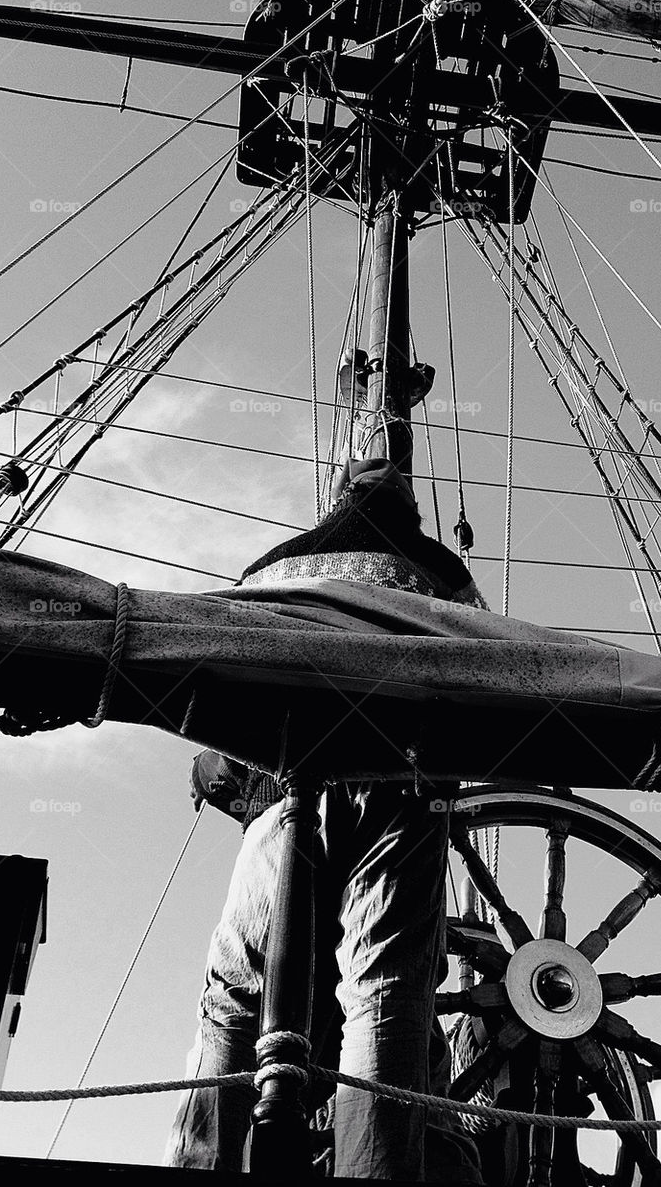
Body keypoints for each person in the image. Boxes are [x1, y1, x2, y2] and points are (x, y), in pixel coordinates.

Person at [165, 458, 485, 1182]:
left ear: (340, 499)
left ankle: (210, 1161)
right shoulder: (444, 575)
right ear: (411, 512)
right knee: (386, 994)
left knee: (237, 999)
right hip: (406, 794)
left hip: (287, 803)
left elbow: (220, 734)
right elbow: (488, 686)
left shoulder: (275, 565)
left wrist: (236, 786)